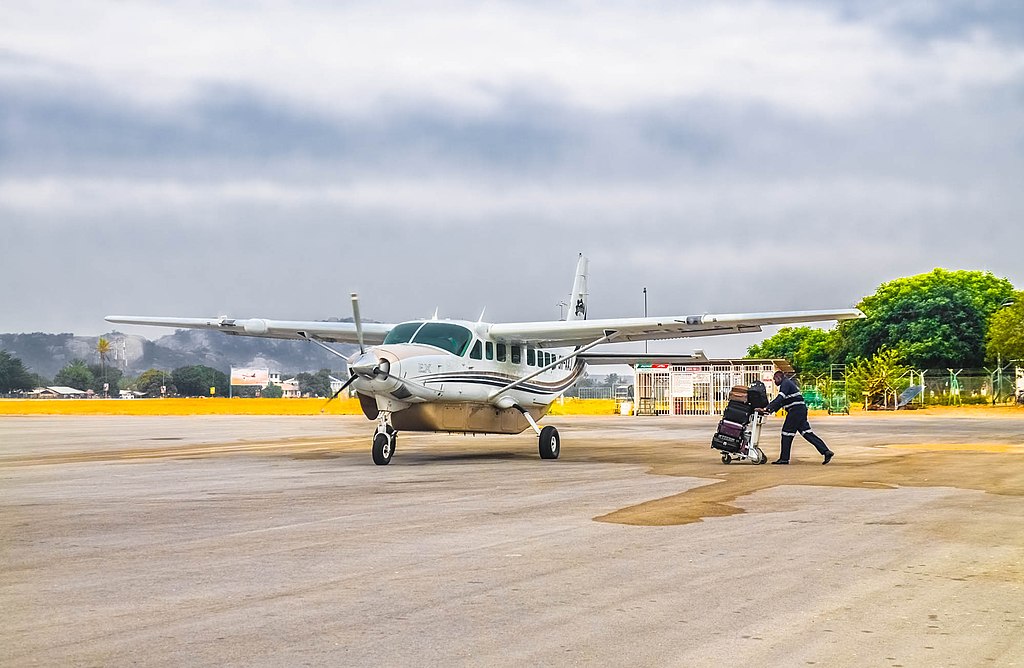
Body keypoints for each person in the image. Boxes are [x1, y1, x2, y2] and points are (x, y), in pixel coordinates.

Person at [760, 370, 834, 465]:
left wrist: (767, 408)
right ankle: (826, 451)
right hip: (800, 410)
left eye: (775, 380)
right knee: (807, 433)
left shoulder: (785, 383)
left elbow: (780, 398)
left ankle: (784, 459)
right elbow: (781, 403)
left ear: (779, 377)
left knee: (786, 433)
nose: (774, 382)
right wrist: (767, 410)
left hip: (795, 411)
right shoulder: (788, 384)